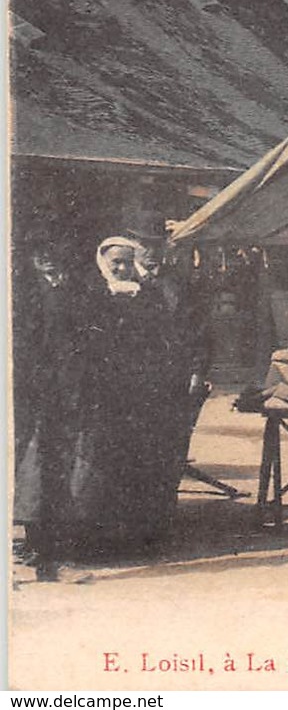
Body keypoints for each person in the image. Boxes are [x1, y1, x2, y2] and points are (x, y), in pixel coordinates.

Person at [61, 237, 195, 559]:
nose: (120, 268)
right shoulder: (90, 296)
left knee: (132, 462)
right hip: (99, 393)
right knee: (94, 463)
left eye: (126, 262)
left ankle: (127, 539)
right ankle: (88, 539)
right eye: (114, 262)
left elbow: (160, 344)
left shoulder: (147, 298)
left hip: (135, 394)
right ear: (102, 262)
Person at [12, 240, 80, 581]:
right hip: (33, 393)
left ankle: (47, 559)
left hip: (57, 394)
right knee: (35, 471)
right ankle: (40, 555)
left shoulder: (67, 288)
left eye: (53, 252)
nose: (48, 257)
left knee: (48, 473)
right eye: (42, 254)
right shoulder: (27, 293)